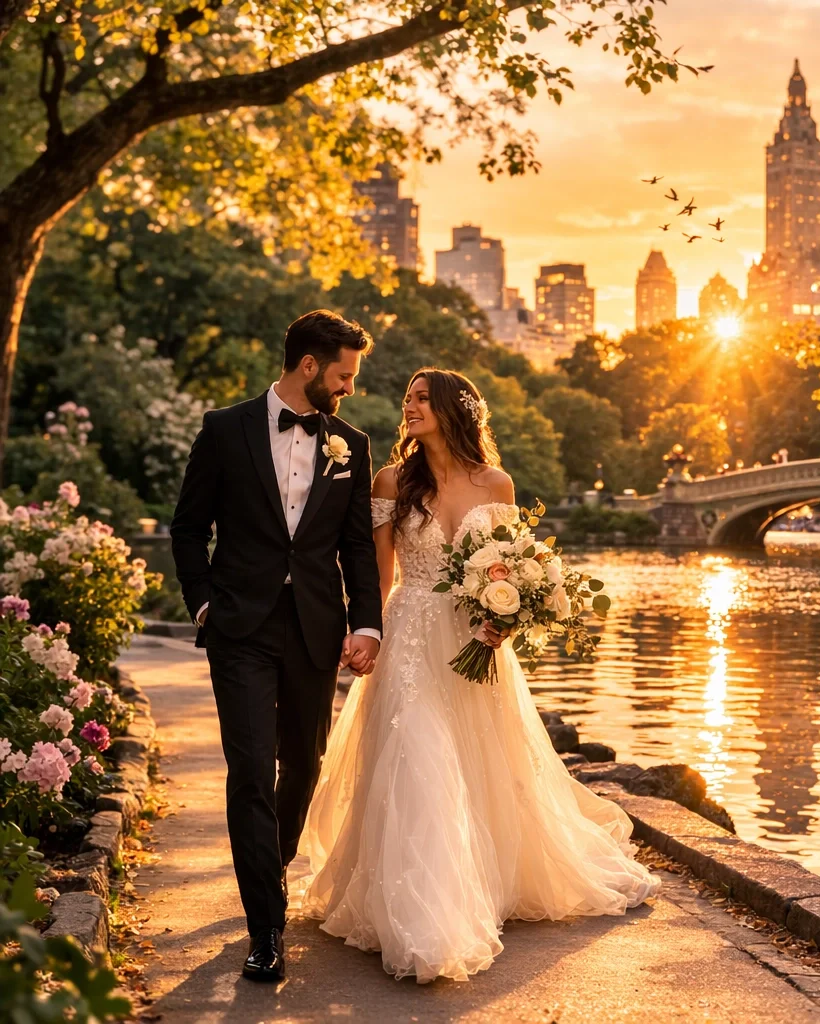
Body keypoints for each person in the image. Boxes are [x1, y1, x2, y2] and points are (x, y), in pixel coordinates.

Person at [298, 368, 659, 983]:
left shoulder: (497, 483)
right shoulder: (392, 479)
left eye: (420, 399)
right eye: (407, 397)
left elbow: (509, 571)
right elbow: (377, 573)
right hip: (411, 634)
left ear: (452, 410)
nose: (408, 407)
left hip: (475, 640)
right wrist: (366, 632)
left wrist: (507, 620)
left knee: (479, 762)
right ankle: (427, 917)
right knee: (418, 753)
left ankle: (482, 885)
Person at [170, 310, 383, 982]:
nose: (350, 388)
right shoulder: (224, 430)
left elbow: (355, 545)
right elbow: (186, 528)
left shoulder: (352, 442)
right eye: (344, 375)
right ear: (310, 366)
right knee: (251, 770)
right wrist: (204, 603)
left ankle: (272, 864)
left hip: (315, 627)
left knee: (305, 763)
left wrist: (367, 624)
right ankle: (266, 930)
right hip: (239, 628)